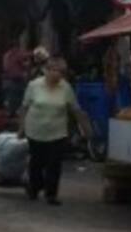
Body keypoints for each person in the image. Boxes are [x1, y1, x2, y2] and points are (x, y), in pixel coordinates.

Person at [19, 57, 91, 207]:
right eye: (54, 71)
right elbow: (24, 107)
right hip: (36, 131)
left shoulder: (66, 88)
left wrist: (86, 129)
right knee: (37, 162)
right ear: (46, 71)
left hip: (57, 132)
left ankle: (51, 194)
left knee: (54, 164)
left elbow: (76, 110)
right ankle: (34, 187)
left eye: (61, 72)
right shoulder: (34, 85)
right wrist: (21, 128)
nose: (57, 74)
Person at [2, 39, 31, 117]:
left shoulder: (6, 55)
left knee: (11, 96)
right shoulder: (16, 54)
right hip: (17, 78)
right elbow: (25, 63)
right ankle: (16, 111)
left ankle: (11, 111)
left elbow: (5, 67)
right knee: (18, 96)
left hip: (9, 79)